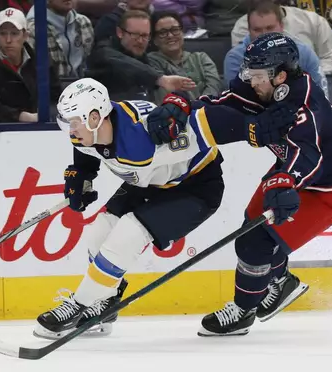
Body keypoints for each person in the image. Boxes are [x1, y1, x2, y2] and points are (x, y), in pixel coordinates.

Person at [33, 75, 293, 339]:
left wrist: (257, 127)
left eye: (74, 122)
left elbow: (210, 122)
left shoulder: (147, 136)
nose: (71, 131)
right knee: (100, 232)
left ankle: (79, 304)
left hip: (196, 188)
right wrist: (82, 175)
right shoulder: (88, 133)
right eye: (67, 123)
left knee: (128, 235)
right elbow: (88, 153)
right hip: (151, 184)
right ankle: (105, 303)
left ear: (94, 117)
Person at [151, 32, 332, 336]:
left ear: (280, 76)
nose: (251, 80)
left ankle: (243, 311)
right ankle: (282, 281)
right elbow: (224, 104)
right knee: (252, 224)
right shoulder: (263, 88)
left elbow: (308, 155)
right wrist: (185, 107)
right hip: (292, 170)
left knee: (254, 242)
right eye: (249, 72)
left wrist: (286, 181)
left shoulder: (305, 107)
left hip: (328, 187)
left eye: (258, 75)